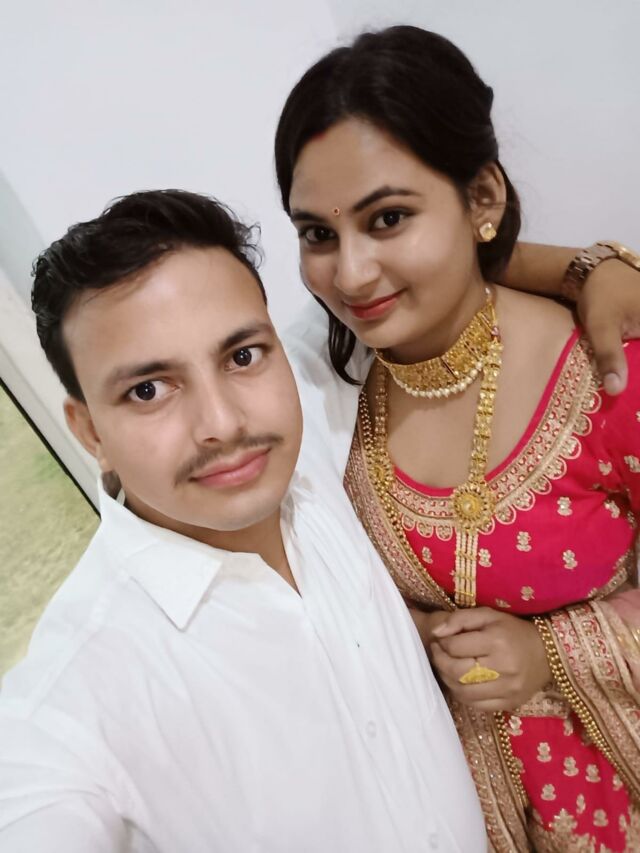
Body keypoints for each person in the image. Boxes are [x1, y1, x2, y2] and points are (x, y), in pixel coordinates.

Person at [0, 190, 485, 851]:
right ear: (90, 432)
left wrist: (594, 268)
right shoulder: (74, 704)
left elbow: (394, 284)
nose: (224, 424)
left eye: (242, 356)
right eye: (148, 390)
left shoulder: (303, 444)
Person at [274, 25, 640, 852]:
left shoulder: (608, 370)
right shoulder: (320, 392)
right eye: (318, 234)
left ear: (482, 199)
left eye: (389, 218)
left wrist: (551, 650)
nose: (350, 274)